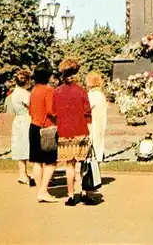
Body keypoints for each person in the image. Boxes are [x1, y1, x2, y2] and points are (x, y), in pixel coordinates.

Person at [53, 58, 96, 206]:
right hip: (81, 130)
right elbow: (87, 113)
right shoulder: (81, 91)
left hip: (64, 132)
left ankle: (70, 196)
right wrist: (90, 131)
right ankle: (85, 193)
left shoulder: (57, 92)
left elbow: (53, 112)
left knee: (69, 165)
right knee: (83, 163)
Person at [29, 60, 58, 203]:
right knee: (51, 161)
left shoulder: (33, 90)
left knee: (37, 161)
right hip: (46, 129)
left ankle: (39, 190)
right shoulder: (49, 90)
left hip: (33, 126)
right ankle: (43, 190)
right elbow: (51, 111)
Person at [10, 68, 35, 186]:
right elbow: (32, 106)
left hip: (17, 120)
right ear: (27, 81)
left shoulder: (14, 93)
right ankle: (35, 174)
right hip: (26, 120)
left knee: (20, 147)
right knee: (30, 146)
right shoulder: (25, 94)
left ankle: (22, 174)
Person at [86, 72, 107, 162]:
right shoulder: (100, 95)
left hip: (92, 126)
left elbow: (85, 109)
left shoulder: (93, 95)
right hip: (100, 125)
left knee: (91, 150)